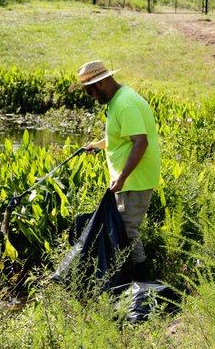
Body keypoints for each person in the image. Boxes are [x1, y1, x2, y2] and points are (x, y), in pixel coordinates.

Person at [69, 60, 161, 281]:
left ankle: (143, 282)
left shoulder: (124, 104)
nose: (92, 97)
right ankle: (131, 280)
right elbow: (122, 136)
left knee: (128, 232)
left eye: (90, 92)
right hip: (128, 180)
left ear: (99, 85)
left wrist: (121, 178)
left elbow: (141, 142)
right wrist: (98, 145)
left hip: (134, 180)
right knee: (123, 230)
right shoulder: (117, 100)